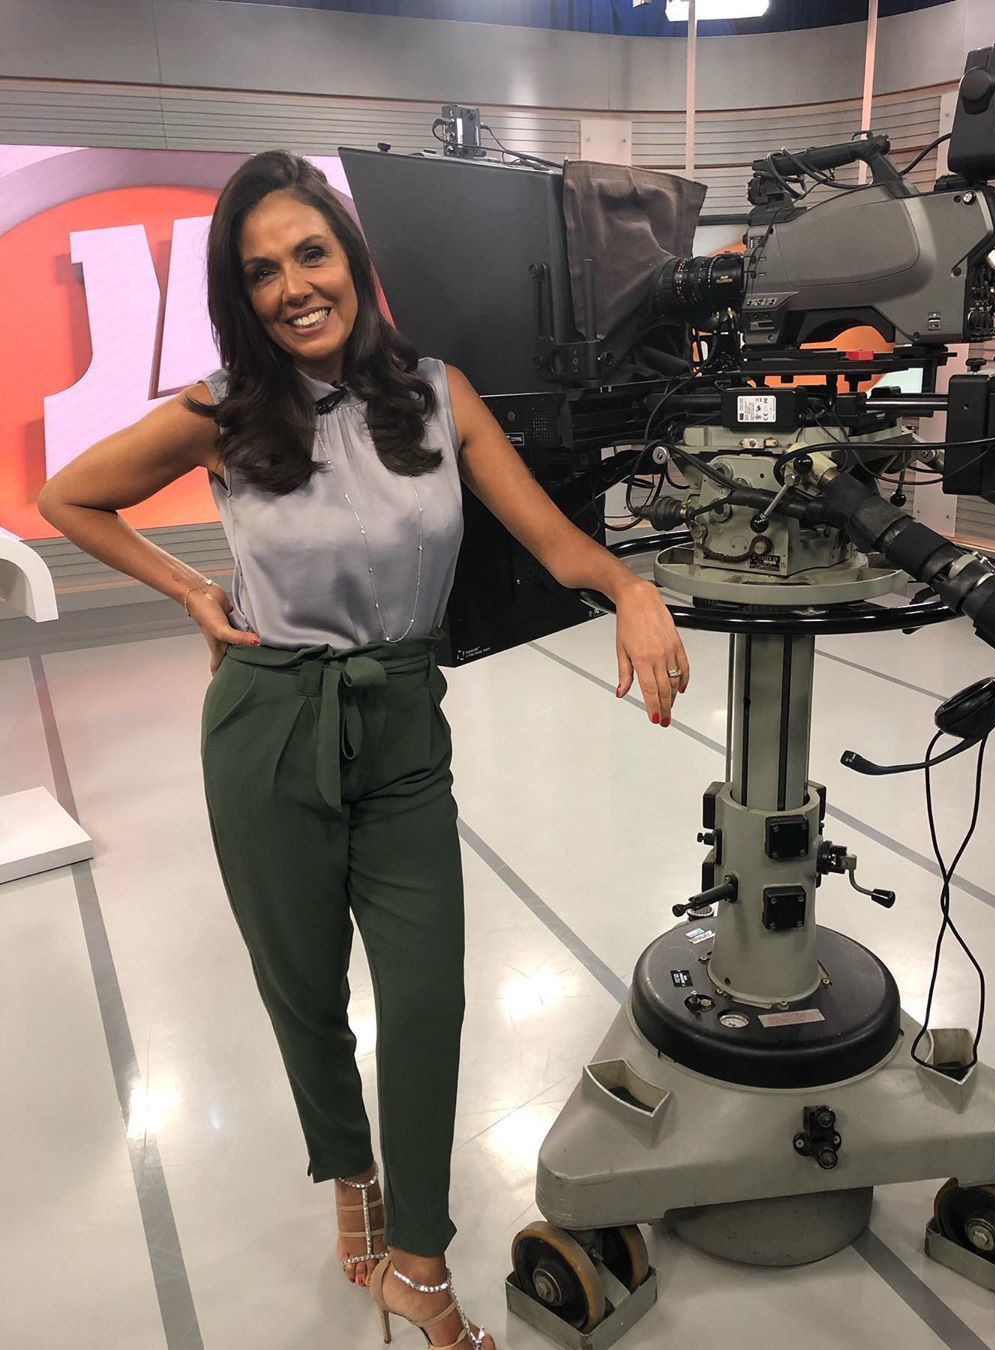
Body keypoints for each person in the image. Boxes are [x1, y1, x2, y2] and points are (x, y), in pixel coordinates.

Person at [38, 150, 690, 1349]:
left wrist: (630, 587)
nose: (294, 286)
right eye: (262, 271)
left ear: (354, 261)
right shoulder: (222, 413)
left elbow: (554, 542)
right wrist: (190, 589)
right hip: (266, 725)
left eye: (311, 253)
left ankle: (418, 1263)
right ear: (242, 296)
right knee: (304, 994)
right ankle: (352, 1175)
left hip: (400, 731)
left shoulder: (440, 396)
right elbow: (68, 496)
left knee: (428, 999)